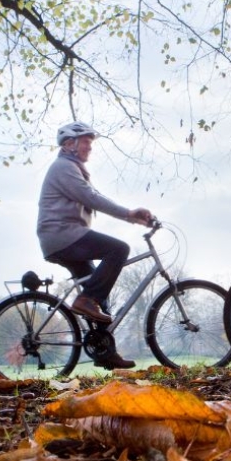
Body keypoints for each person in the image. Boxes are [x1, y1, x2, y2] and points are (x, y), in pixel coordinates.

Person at [37, 121, 154, 369]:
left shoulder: (72, 168)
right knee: (118, 249)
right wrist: (129, 213)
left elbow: (95, 197)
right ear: (69, 144)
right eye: (86, 142)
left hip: (65, 235)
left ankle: (104, 351)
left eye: (91, 143)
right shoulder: (64, 167)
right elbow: (92, 198)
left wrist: (132, 216)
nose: (90, 147)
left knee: (98, 297)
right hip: (63, 235)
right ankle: (85, 301)